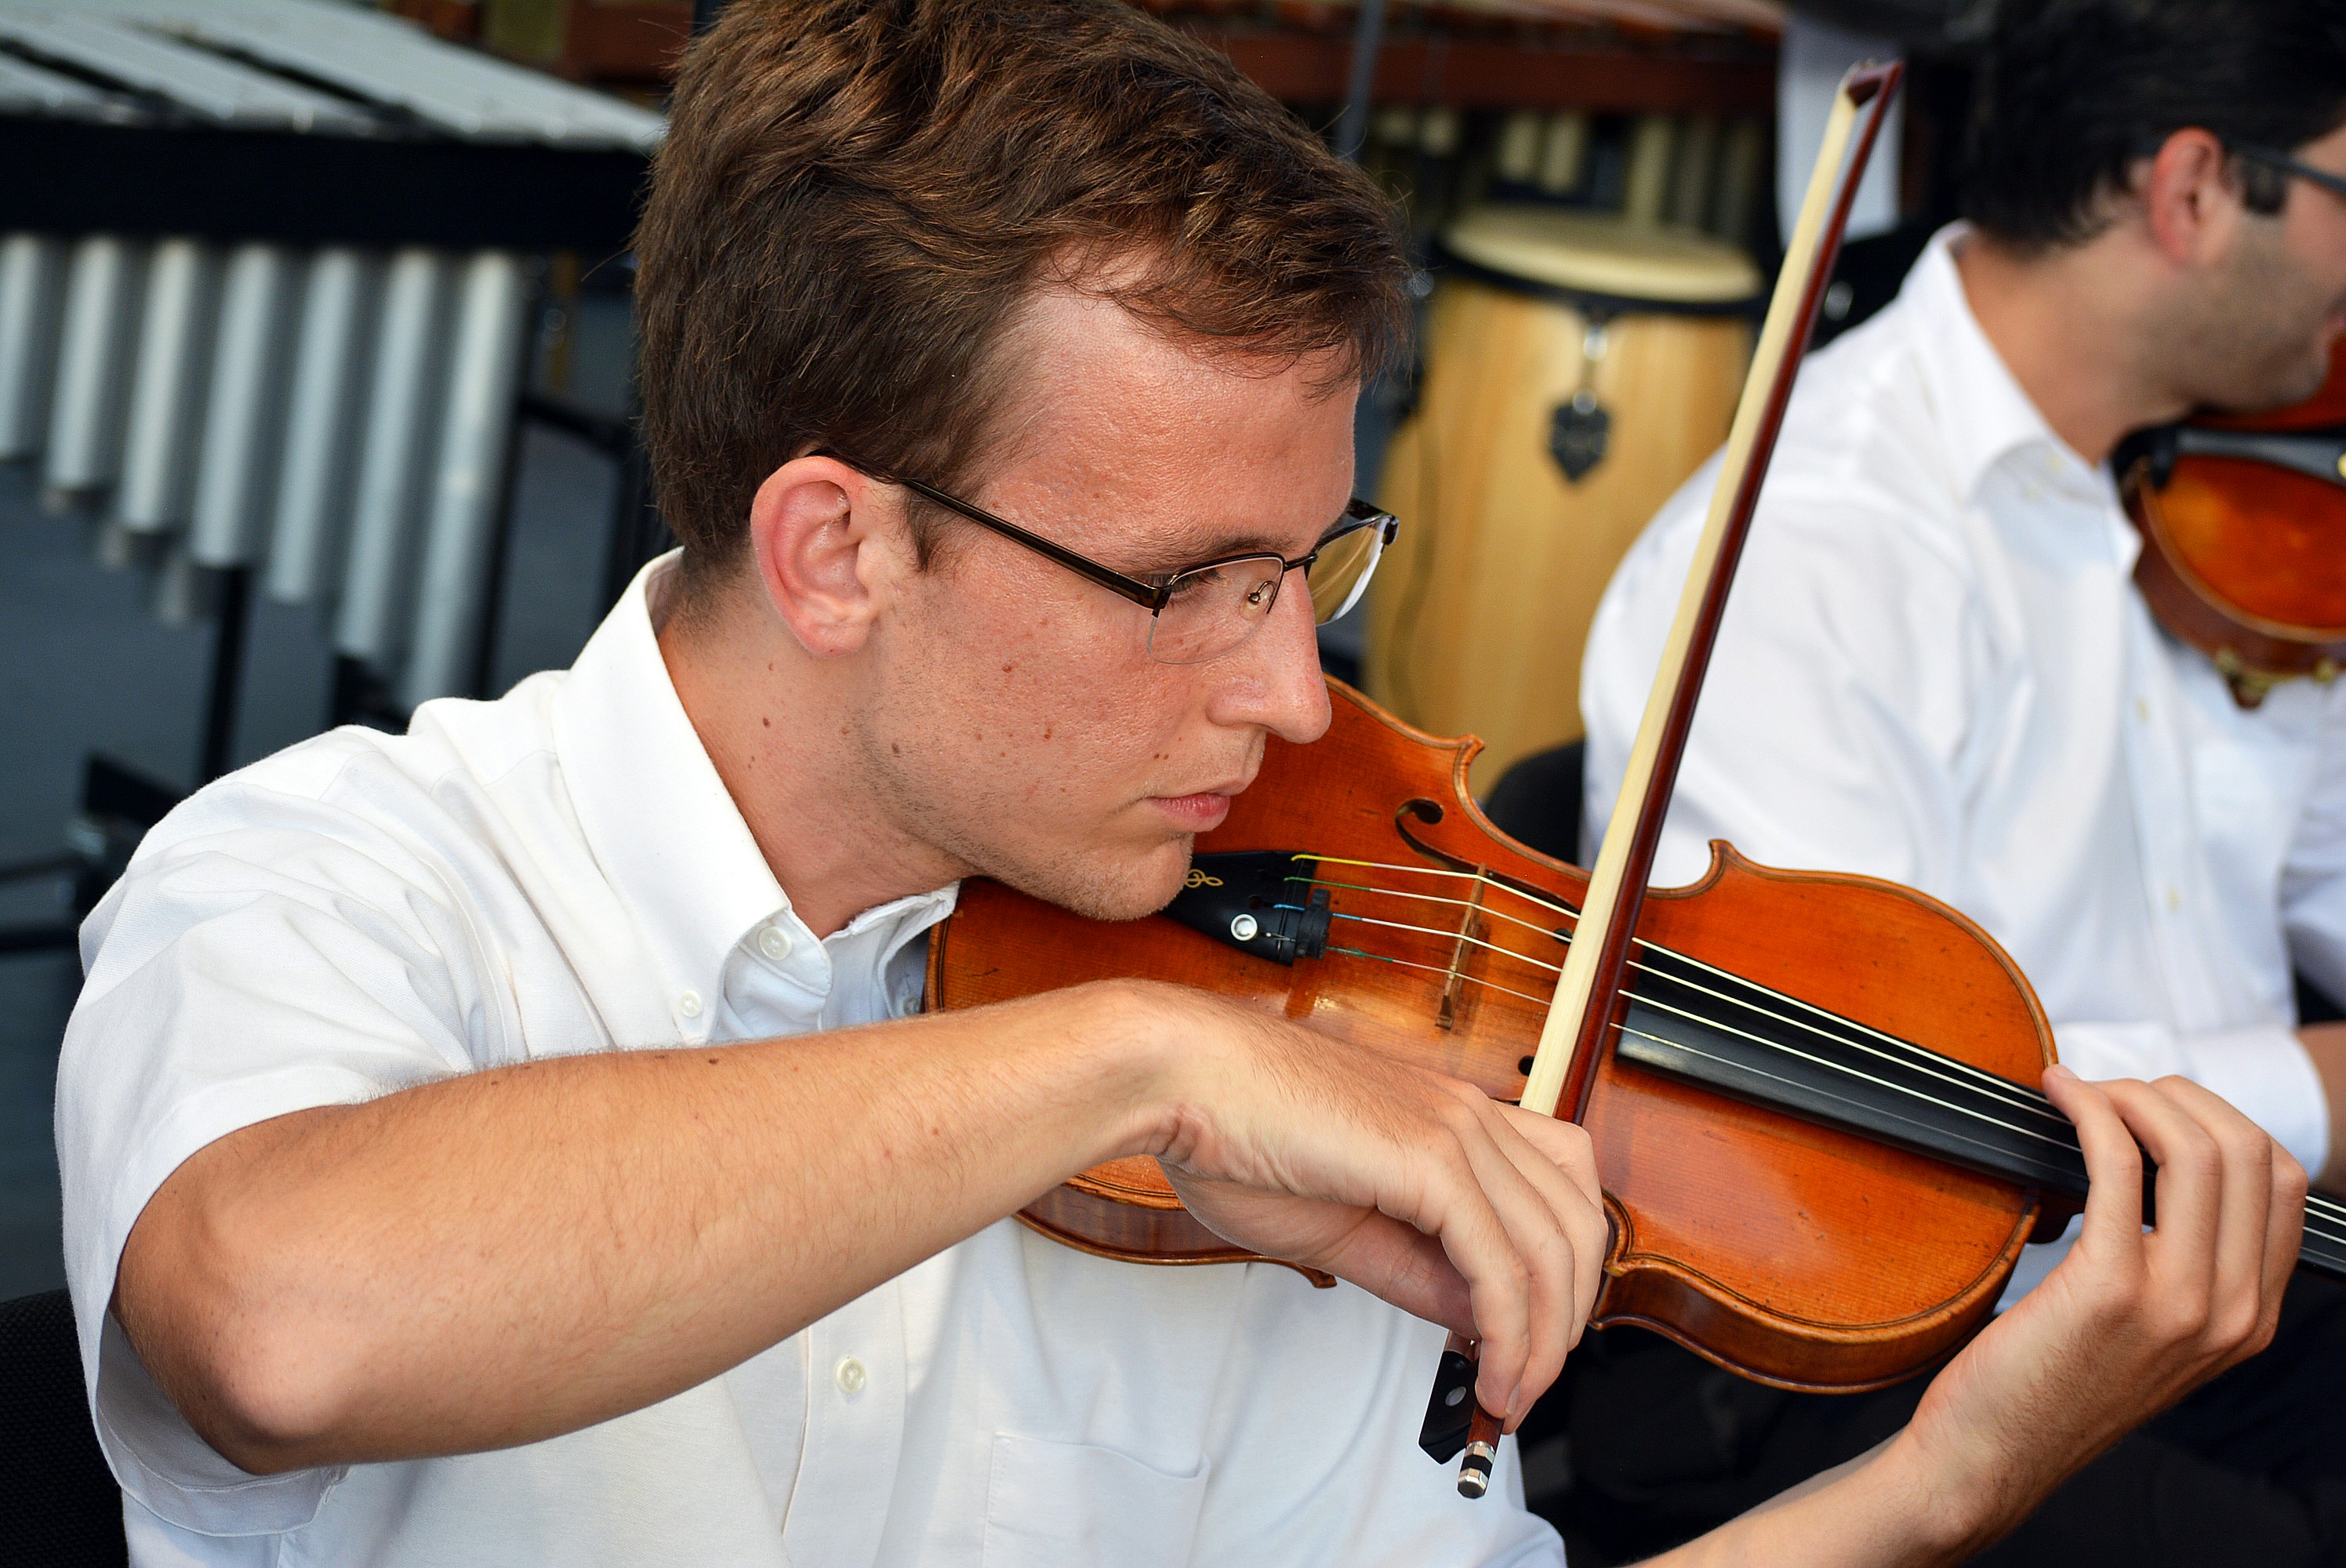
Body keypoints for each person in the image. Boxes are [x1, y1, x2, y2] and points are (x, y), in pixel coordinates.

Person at [58, 2, 2298, 1565]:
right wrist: (1112, 1058)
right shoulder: (332, 885)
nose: (1303, 704)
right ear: (838, 548)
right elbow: (282, 1323)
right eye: (1191, 586)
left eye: (1308, 566)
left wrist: (1945, 1491)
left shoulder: (1289, 1061)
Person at [1575, 1, 2346, 1563]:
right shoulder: (1819, 545)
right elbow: (1866, 1107)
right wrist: (2309, 1088)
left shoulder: (2203, 501)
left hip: (2223, 1273)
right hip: (1915, 1353)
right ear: (2194, 191)